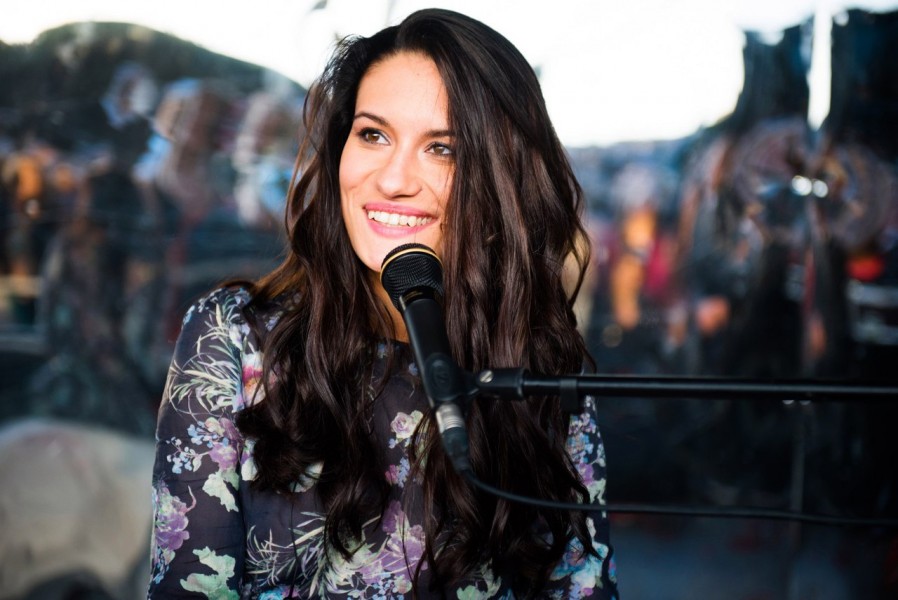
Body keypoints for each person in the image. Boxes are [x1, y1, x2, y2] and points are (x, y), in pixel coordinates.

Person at [148, 8, 618, 599]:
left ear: (502, 180)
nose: (394, 179)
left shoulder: (537, 369)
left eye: (441, 149)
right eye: (373, 134)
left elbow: (583, 586)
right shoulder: (233, 337)